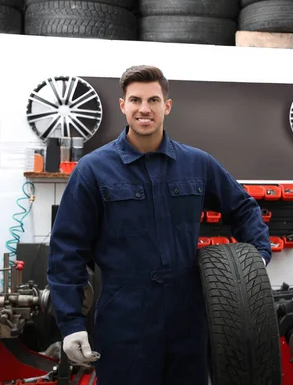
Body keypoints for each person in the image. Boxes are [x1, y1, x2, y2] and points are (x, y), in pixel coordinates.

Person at [47, 65, 272, 385]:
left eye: (153, 100)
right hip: (124, 323)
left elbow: (244, 208)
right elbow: (67, 250)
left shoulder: (197, 163)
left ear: (166, 106)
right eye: (135, 100)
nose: (144, 109)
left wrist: (257, 258)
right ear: (123, 105)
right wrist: (71, 323)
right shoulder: (93, 170)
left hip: (188, 323)